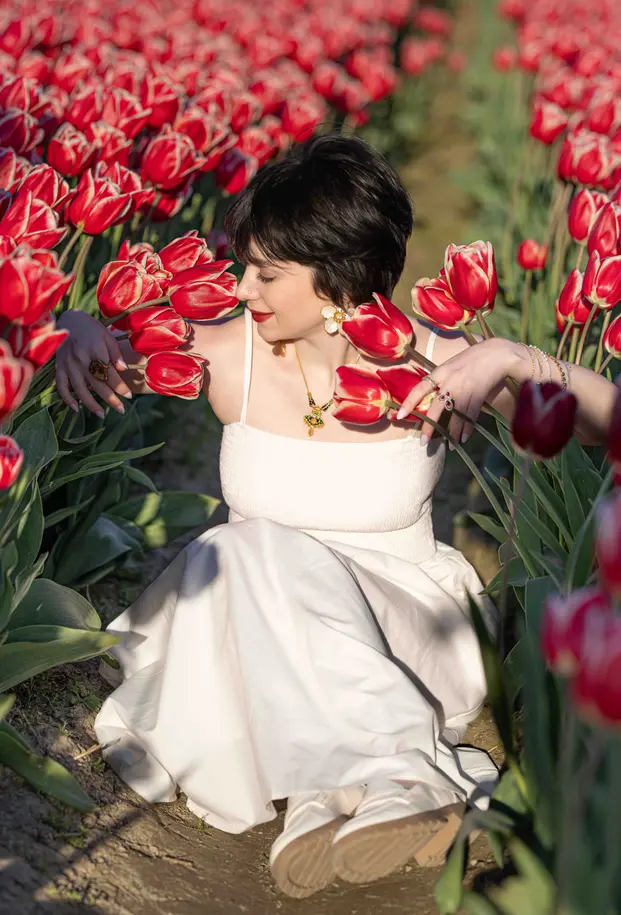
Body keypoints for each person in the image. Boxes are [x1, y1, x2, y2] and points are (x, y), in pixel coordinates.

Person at [55, 134, 615, 899]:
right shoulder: (230, 356)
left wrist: (511, 358)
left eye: (266, 272)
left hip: (404, 635)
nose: (243, 287)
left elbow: (603, 424)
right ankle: (351, 795)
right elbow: (105, 349)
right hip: (263, 638)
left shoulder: (433, 365)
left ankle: (352, 786)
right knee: (244, 551)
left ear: (334, 280)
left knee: (244, 544)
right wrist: (75, 325)